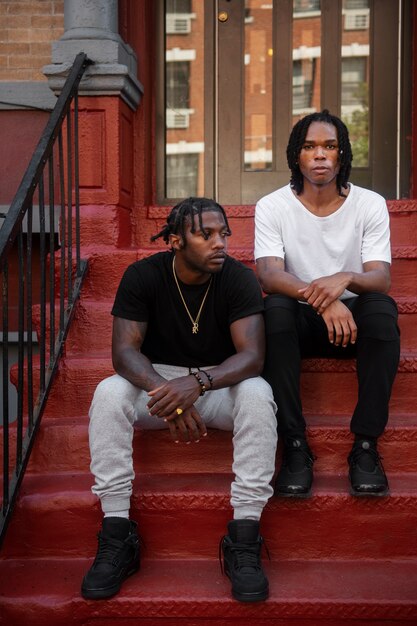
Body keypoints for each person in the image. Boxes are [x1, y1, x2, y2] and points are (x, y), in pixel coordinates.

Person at [81, 197, 277, 603]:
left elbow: (252, 357)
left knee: (259, 393)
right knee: (108, 391)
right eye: (205, 235)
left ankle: (244, 535)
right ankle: (116, 533)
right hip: (159, 386)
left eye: (223, 233)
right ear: (174, 240)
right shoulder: (143, 276)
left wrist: (199, 383)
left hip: (218, 384)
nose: (219, 243)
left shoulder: (238, 278)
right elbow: (124, 354)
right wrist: (170, 394)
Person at [254, 109, 400, 499]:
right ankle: (296, 447)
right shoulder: (272, 206)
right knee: (274, 311)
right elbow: (269, 276)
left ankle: (366, 446)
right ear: (295, 155)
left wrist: (346, 279)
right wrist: (322, 301)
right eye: (309, 146)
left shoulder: (369, 204)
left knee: (382, 312)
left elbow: (380, 278)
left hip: (352, 325)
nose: (320, 155)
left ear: (342, 154)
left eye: (329, 146)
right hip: (301, 321)